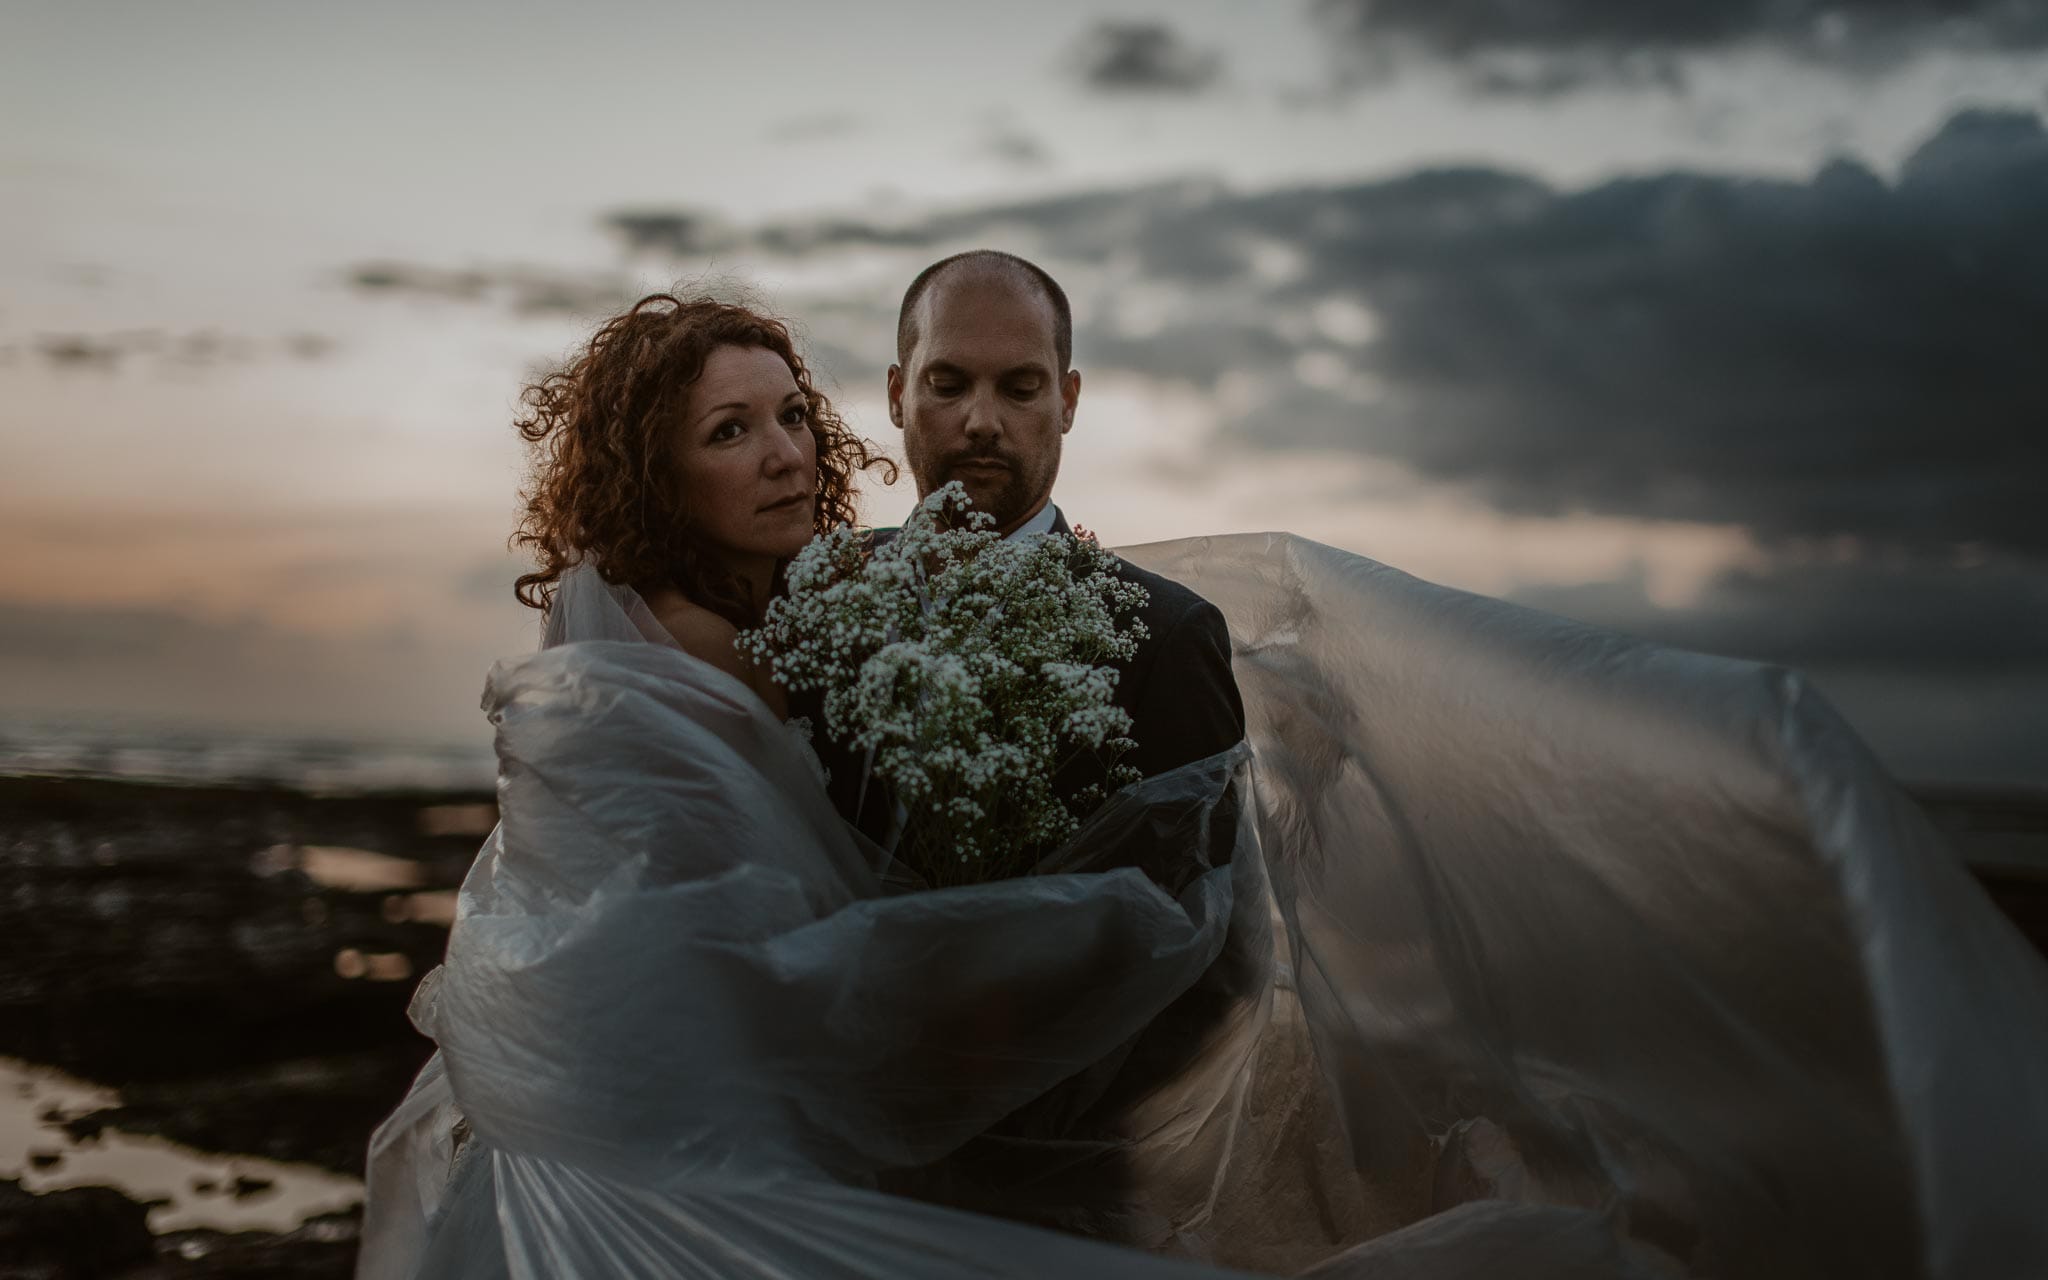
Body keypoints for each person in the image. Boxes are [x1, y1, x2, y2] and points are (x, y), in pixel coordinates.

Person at [358, 285, 2048, 1280]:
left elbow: (1203, 918)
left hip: (990, 1117)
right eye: (726, 431)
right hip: (738, 1137)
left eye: (779, 417)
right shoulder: (717, 645)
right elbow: (676, 930)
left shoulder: (1097, 623)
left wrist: (1038, 966)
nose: (781, 452)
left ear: (1069, 401)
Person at [814, 250, 1247, 852]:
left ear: (1067, 402)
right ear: (896, 394)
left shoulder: (1167, 638)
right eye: (947, 385)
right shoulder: (818, 589)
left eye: (1020, 389)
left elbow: (1198, 912)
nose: (982, 421)